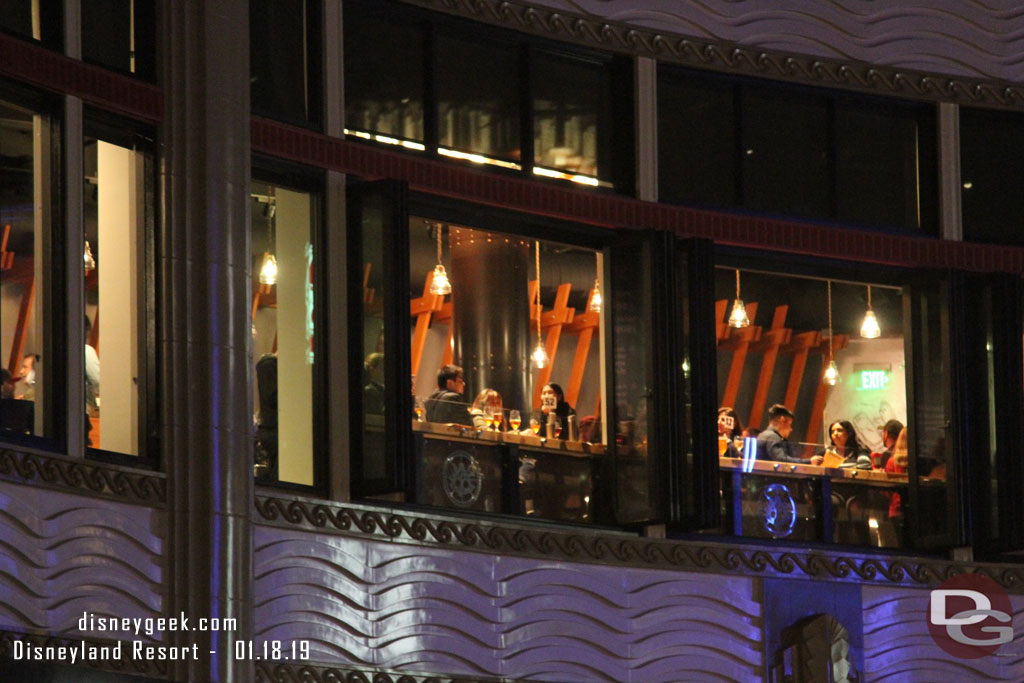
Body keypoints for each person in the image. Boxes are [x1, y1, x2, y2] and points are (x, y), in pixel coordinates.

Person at [756, 403, 824, 465]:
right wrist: (809, 461)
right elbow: (781, 459)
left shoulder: (762, 435)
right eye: (789, 424)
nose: (791, 429)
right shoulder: (772, 437)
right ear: (782, 420)